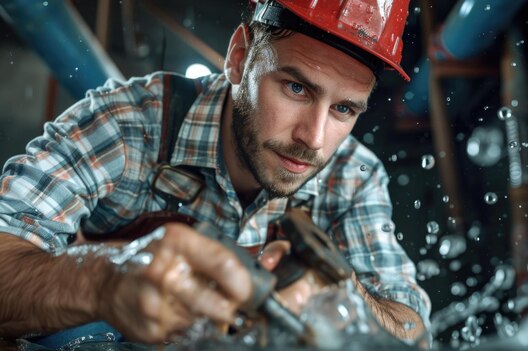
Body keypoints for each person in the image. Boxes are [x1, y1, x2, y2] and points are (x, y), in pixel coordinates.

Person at [0, 0, 431, 346]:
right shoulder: (128, 122)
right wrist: (102, 280)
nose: (314, 139)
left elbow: (413, 332)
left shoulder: (354, 178)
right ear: (240, 58)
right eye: (297, 88)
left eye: (343, 109)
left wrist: (340, 294)